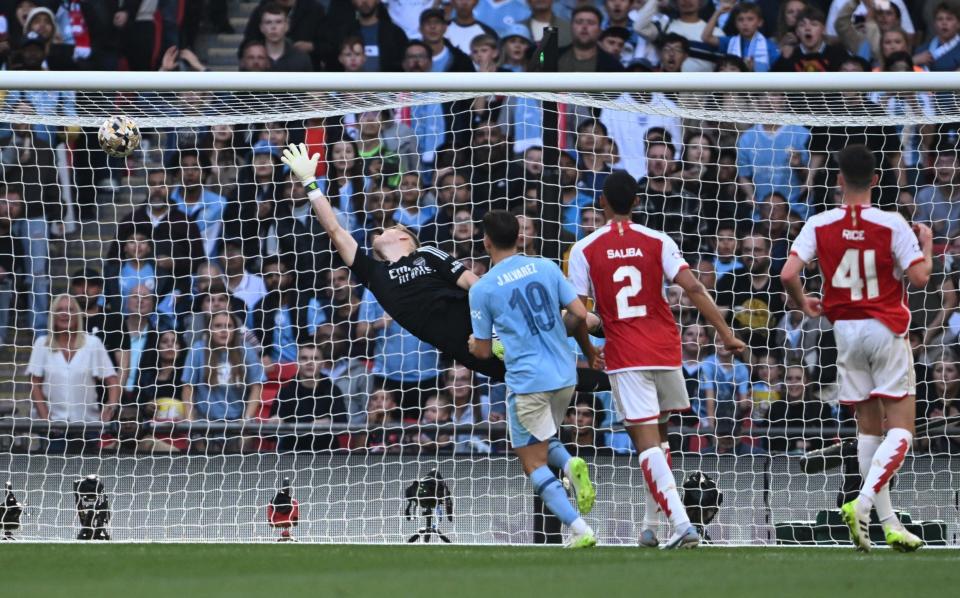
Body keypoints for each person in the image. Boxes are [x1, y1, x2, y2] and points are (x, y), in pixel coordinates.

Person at [567, 170, 745, 549]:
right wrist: (726, 334)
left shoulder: (584, 249)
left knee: (646, 443)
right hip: (666, 351)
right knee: (661, 441)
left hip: (627, 355)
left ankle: (681, 525)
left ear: (601, 202)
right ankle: (650, 525)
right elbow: (694, 287)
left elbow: (579, 313)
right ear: (636, 202)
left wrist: (587, 350)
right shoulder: (657, 240)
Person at [780, 144, 932, 553]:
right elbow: (919, 278)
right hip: (885, 328)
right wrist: (928, 245)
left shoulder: (819, 222)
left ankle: (889, 524)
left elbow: (788, 273)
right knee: (901, 430)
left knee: (868, 431)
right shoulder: (892, 223)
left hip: (844, 332)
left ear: (838, 180)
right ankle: (863, 505)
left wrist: (804, 302)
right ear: (877, 181)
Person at [468, 209, 599, 548]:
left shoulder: (482, 289)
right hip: (565, 376)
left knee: (532, 462)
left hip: (529, 381)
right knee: (542, 439)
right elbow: (581, 314)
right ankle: (570, 464)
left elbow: (482, 352)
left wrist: (475, 343)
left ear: (486, 241)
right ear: (519, 237)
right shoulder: (546, 266)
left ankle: (578, 528)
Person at [27, 294, 120, 453]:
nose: (65, 313)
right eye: (60, 309)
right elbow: (34, 384)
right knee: (54, 476)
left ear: (77, 315)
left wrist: (110, 406)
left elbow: (112, 380)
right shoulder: (41, 344)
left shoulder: (92, 343)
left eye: (70, 309)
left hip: (88, 427)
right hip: (54, 430)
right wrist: (46, 419)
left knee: (88, 475)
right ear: (53, 315)